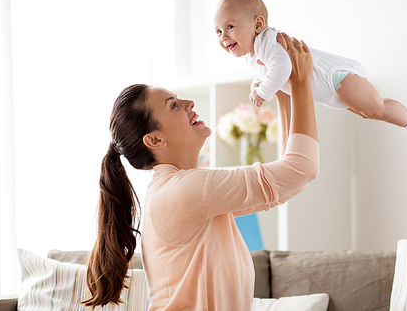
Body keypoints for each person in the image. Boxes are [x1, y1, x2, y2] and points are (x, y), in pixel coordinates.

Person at [83, 33, 319, 310]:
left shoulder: (187, 191)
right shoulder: (187, 190)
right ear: (155, 140)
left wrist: (283, 91)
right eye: (174, 105)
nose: (188, 104)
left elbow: (285, 182)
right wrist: (301, 84)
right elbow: (300, 169)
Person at [214, 0, 407, 153]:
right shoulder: (253, 55)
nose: (224, 36)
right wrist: (257, 83)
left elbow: (282, 67)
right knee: (364, 112)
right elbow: (264, 72)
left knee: (376, 108)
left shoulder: (268, 40)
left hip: (336, 77)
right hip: (332, 92)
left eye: (230, 27)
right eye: (218, 31)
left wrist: (263, 92)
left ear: (258, 24)